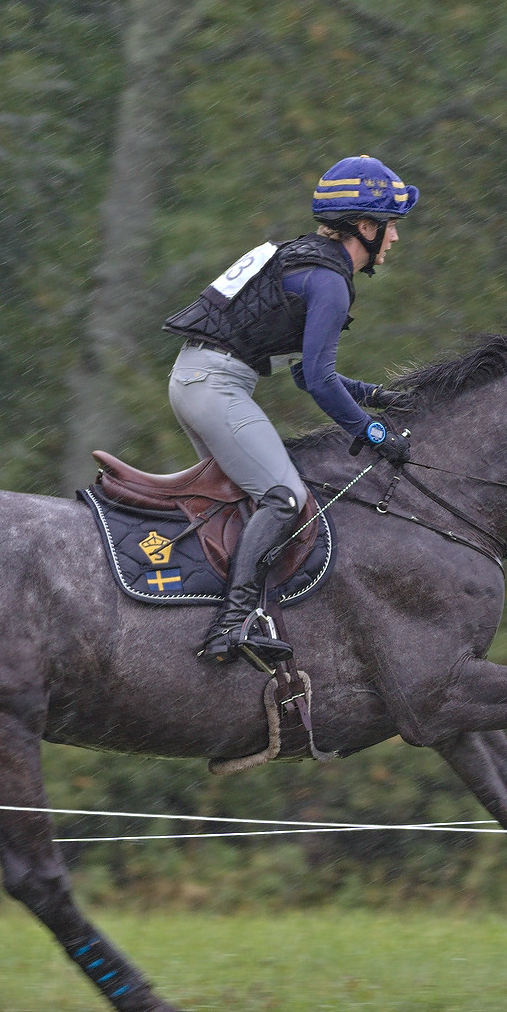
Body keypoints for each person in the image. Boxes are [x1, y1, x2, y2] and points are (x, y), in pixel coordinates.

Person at [161, 155, 419, 666]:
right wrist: (371, 431)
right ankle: (230, 626)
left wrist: (378, 396)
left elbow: (304, 374)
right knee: (283, 498)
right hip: (217, 387)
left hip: (194, 380)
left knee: (245, 500)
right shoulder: (329, 281)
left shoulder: (301, 258)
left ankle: (221, 610)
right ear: (364, 228)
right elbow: (319, 381)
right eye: (389, 228)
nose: (394, 239)